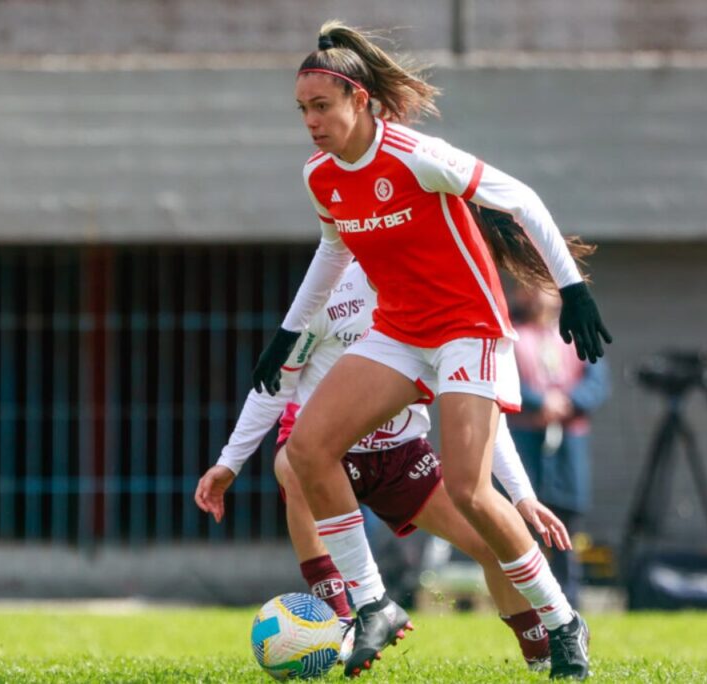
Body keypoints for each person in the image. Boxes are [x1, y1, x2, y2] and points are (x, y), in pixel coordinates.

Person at [250, 22, 611, 679]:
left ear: (360, 100)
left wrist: (573, 289)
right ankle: (373, 604)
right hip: (400, 330)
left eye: (322, 105)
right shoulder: (321, 177)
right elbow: (335, 250)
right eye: (302, 109)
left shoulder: (417, 154)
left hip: (467, 327)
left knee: (472, 491)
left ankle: (561, 621)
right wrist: (288, 333)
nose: (311, 121)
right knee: (305, 452)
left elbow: (522, 199)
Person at [196, 261, 572, 671]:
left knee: (493, 544)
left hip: (401, 454)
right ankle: (343, 622)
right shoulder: (328, 291)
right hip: (328, 450)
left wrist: (521, 496)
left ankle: (542, 655)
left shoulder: (436, 302)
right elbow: (274, 385)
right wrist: (229, 463)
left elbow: (480, 415)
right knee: (296, 459)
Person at [508, 286, 610, 607]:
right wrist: (540, 401)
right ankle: (525, 601)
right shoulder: (512, 335)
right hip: (526, 438)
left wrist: (567, 402)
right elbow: (506, 380)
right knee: (522, 518)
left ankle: (569, 599)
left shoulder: (575, 333)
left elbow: (597, 382)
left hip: (568, 441)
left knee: (566, 520)